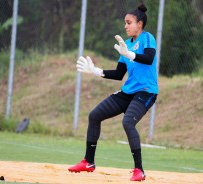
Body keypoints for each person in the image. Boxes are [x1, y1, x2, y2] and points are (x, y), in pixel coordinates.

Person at [68, 3, 158, 182]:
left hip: (146, 91)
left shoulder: (147, 38)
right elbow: (118, 74)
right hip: (129, 91)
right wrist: (96, 71)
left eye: (129, 22)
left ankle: (139, 170)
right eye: (125, 22)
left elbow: (148, 59)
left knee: (128, 122)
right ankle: (89, 162)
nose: (125, 26)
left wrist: (129, 54)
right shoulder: (125, 46)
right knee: (95, 115)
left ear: (139, 24)